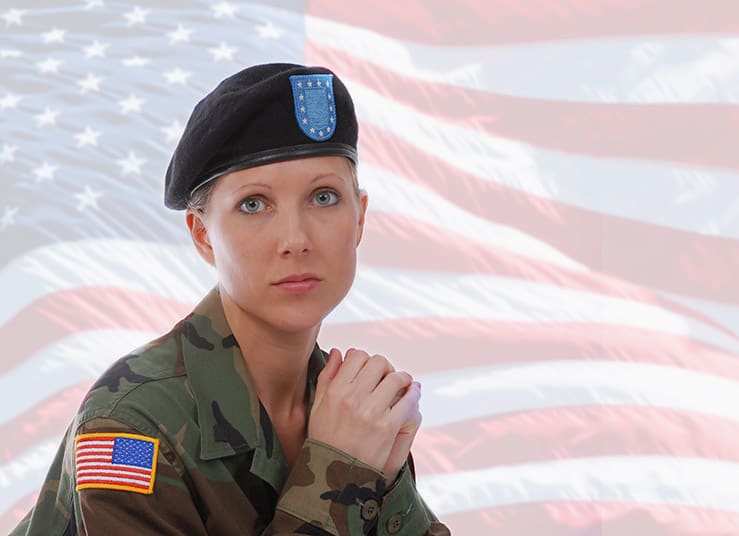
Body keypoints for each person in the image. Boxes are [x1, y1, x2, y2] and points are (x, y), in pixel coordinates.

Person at [12, 63, 450, 535]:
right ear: (202, 235)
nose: (296, 238)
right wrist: (340, 473)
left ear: (360, 219)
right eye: (254, 204)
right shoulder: (132, 428)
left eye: (323, 198)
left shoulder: (346, 405)